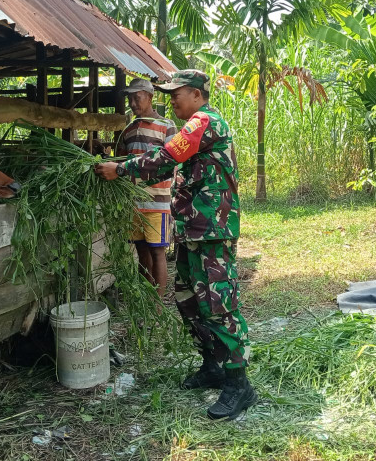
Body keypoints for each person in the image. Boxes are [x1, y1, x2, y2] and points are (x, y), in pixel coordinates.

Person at [96, 69, 256, 420]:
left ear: (197, 94)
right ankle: (212, 366)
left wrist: (120, 170)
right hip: (193, 230)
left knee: (218, 305)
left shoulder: (203, 121)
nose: (171, 98)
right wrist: (121, 164)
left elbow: (165, 158)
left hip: (211, 229)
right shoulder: (194, 124)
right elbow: (164, 165)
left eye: (176, 92)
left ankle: (239, 384)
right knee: (188, 300)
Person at [115, 78, 177, 298]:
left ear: (150, 97)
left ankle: (158, 303)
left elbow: (171, 162)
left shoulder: (167, 126)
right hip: (133, 203)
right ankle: (146, 297)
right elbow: (120, 161)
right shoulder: (129, 130)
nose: (132, 103)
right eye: (130, 99)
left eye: (137, 97)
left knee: (157, 252)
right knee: (141, 250)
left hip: (156, 202)